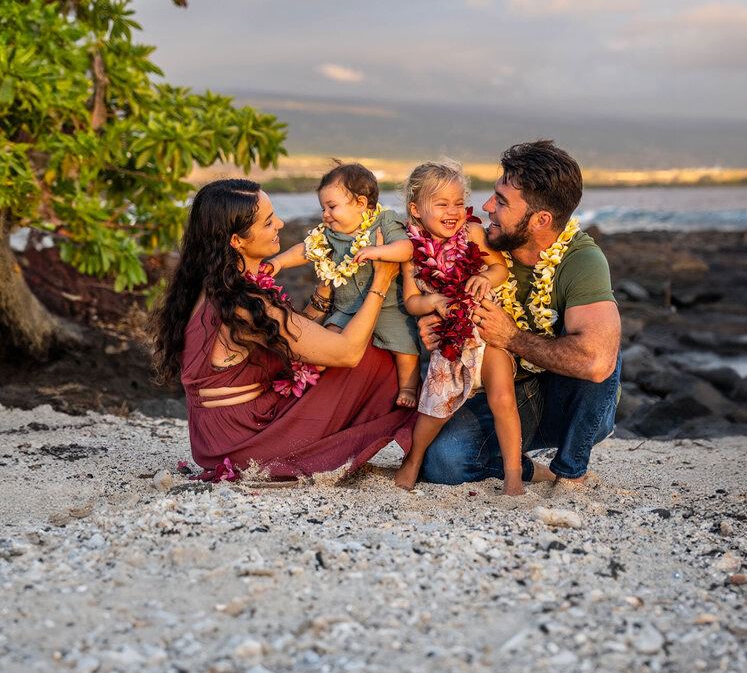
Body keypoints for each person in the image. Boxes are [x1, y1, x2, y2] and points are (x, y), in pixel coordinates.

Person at [151, 178, 415, 481]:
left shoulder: (215, 287)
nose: (279, 223)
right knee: (380, 352)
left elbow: (292, 339)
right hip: (243, 439)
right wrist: (381, 282)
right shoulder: (244, 303)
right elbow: (348, 353)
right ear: (236, 241)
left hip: (216, 438)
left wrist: (322, 297)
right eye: (267, 222)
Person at [418, 141, 622, 488]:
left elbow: (597, 363)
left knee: (602, 351)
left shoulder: (581, 260)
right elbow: (444, 308)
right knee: (443, 464)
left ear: (541, 219)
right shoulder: (479, 248)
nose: (485, 206)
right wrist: (436, 332)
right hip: (504, 393)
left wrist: (511, 337)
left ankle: (570, 471)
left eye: (501, 201)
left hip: (568, 402)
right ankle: (531, 471)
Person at [355, 162, 523, 495]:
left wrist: (483, 276)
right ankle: (414, 459)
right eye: (442, 204)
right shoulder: (411, 251)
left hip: (484, 331)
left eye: (459, 203)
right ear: (416, 209)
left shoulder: (472, 233)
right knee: (436, 407)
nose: (454, 211)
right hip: (449, 343)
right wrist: (434, 302)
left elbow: (499, 268)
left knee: (503, 398)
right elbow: (412, 301)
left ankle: (514, 474)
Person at [269, 162, 420, 408]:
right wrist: (277, 263)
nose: (325, 214)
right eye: (323, 208)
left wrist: (379, 251)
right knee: (326, 343)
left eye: (331, 207)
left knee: (406, 348)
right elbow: (305, 251)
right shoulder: (327, 235)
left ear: (361, 204)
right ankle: (310, 384)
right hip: (345, 308)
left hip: (389, 307)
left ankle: (409, 387)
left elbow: (406, 248)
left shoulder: (384, 222)